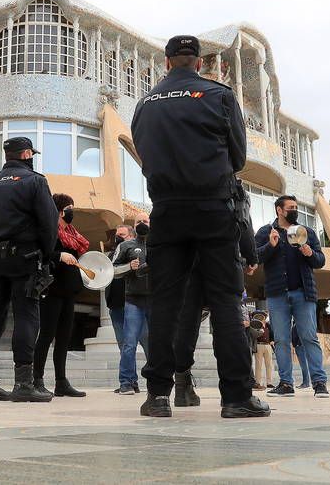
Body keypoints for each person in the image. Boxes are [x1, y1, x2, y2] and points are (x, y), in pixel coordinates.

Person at [131, 35, 269, 419]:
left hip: (167, 210)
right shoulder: (220, 96)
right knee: (225, 299)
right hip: (212, 206)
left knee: (165, 304)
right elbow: (238, 157)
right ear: (199, 61)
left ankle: (157, 395)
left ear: (167, 61)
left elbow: (145, 157)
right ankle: (237, 397)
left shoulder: (145, 104)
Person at [0, 136, 72, 403]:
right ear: (27, 154)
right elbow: (49, 224)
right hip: (25, 258)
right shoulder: (35, 181)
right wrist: (44, 253)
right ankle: (24, 384)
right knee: (27, 316)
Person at [256, 195, 330, 399]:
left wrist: (309, 253)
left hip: (303, 293)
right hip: (277, 294)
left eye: (296, 207)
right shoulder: (266, 232)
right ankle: (286, 384)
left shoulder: (306, 232)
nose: (294, 210)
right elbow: (255, 256)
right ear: (279, 210)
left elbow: (320, 261)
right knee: (280, 339)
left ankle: (319, 383)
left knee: (309, 337)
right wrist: (270, 245)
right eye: (291, 207)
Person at [34, 194, 89, 397]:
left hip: (68, 290)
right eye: (69, 207)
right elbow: (39, 253)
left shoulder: (72, 233)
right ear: (59, 210)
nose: (71, 211)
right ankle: (36, 379)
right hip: (51, 290)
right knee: (46, 335)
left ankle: (61, 381)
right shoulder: (48, 230)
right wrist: (59, 255)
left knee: (64, 338)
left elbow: (79, 251)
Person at [113, 212, 152, 395]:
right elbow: (111, 270)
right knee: (129, 344)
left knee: (155, 343)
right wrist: (129, 267)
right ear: (133, 225)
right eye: (139, 221)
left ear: (150, 222)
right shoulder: (125, 245)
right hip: (133, 301)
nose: (142, 224)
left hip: (155, 301)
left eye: (145, 221)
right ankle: (126, 382)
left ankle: (156, 381)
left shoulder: (159, 245)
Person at [106, 225, 134, 353]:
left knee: (145, 340)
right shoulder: (112, 255)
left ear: (132, 237)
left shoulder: (135, 253)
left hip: (133, 304)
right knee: (123, 343)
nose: (117, 238)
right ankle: (127, 372)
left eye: (122, 235)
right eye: (117, 235)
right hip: (115, 305)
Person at [251, 310, 275, 390]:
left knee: (269, 365)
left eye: (264, 316)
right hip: (259, 345)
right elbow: (254, 335)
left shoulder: (268, 325)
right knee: (259, 365)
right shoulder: (255, 325)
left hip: (268, 345)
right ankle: (258, 382)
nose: (263, 317)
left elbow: (272, 333)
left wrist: (272, 340)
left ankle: (269, 382)